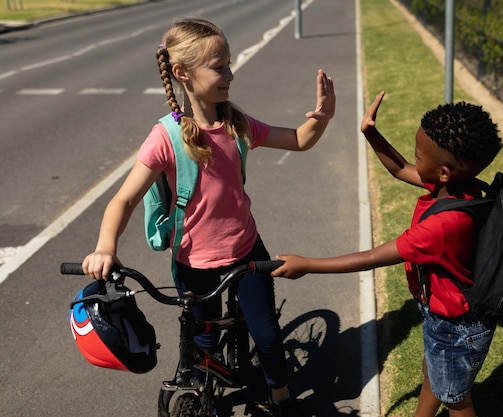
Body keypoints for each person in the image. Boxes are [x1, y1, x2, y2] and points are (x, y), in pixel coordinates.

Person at [82, 17, 335, 416]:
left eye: (229, 63)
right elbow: (123, 200)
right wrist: (104, 247)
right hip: (192, 260)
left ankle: (281, 395)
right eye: (219, 66)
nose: (230, 74)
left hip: (245, 250)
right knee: (202, 343)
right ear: (182, 72)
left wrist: (321, 118)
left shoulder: (237, 124)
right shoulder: (165, 137)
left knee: (268, 339)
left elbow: (299, 139)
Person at [272, 91, 502, 417]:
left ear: (444, 172)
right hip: (446, 315)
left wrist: (307, 264)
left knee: (456, 398)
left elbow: (373, 257)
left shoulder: (444, 225)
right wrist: (371, 132)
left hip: (455, 324)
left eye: (418, 155)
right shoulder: (459, 188)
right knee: (435, 373)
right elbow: (399, 169)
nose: (413, 161)